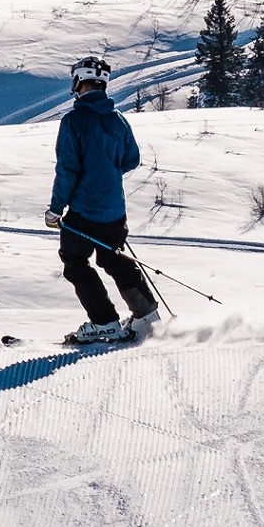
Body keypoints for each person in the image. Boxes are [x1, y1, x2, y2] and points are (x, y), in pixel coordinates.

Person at [46, 54, 159, 344]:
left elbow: (67, 170)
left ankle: (105, 322)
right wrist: (106, 171)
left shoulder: (74, 121)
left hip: (85, 211)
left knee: (74, 263)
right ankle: (146, 316)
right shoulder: (118, 119)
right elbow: (132, 159)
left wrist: (56, 209)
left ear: (80, 82)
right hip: (114, 210)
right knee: (114, 258)